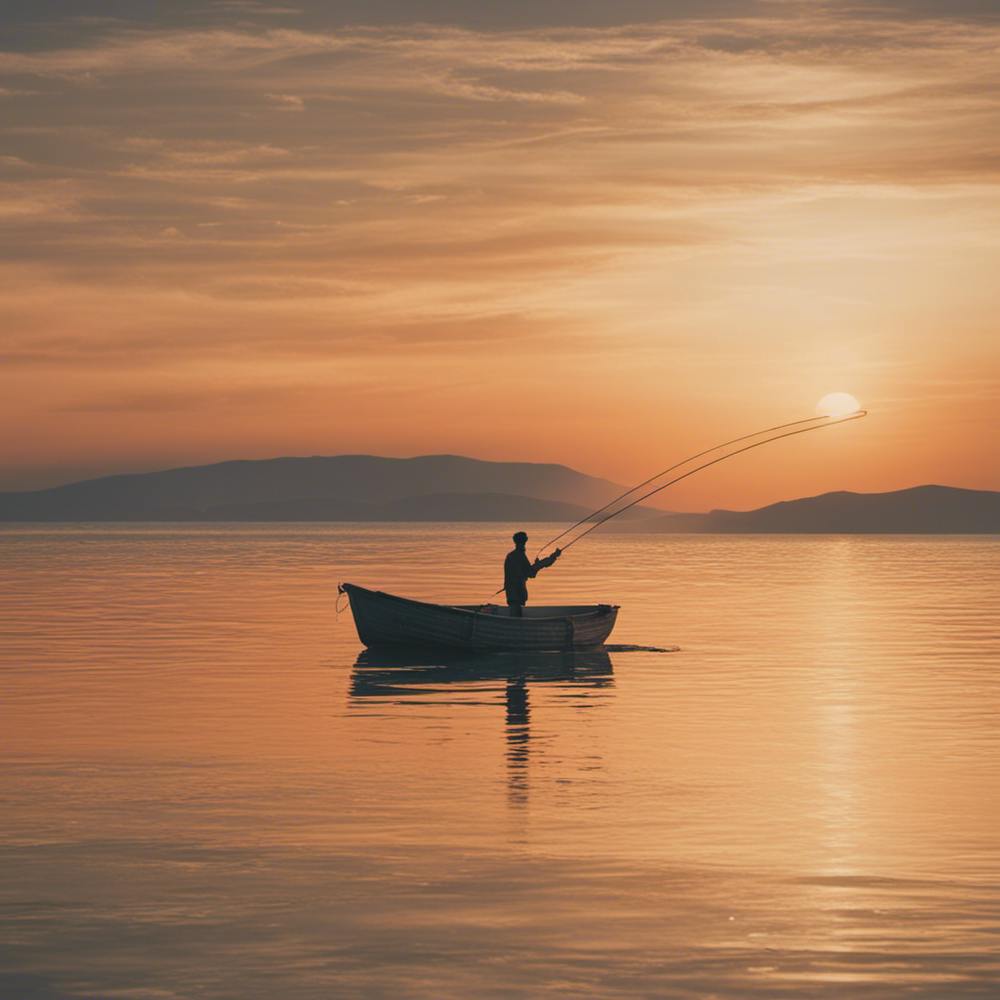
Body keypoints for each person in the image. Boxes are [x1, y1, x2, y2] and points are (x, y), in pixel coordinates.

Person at [503, 531, 561, 617]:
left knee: (515, 614)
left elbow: (528, 571)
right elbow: (530, 573)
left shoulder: (511, 555)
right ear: (524, 542)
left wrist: (539, 564)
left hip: (512, 593)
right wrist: (552, 557)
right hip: (517, 593)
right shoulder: (519, 555)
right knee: (516, 616)